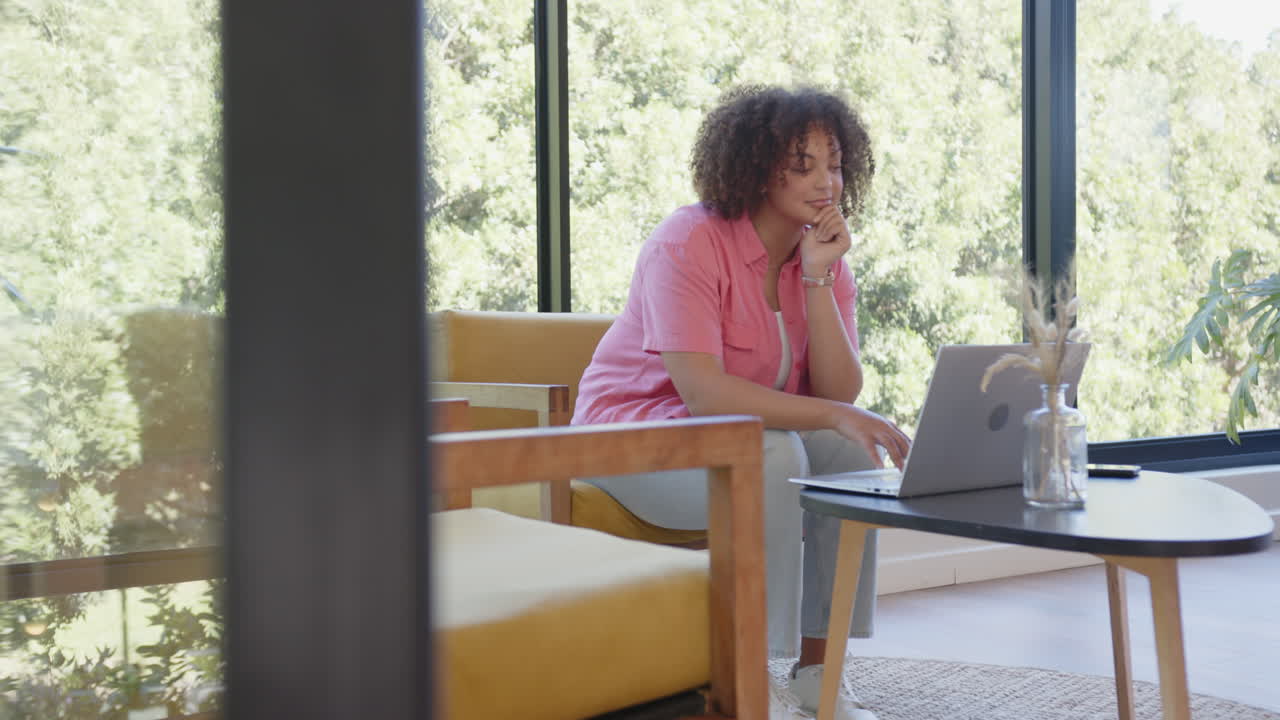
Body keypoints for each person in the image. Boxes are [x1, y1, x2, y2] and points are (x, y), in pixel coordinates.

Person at [571, 85, 911, 720]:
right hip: (625, 445)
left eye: (833, 162)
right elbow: (705, 394)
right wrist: (835, 413)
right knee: (774, 452)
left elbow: (840, 394)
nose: (825, 181)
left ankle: (820, 670)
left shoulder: (823, 260)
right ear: (755, 165)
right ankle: (754, 677)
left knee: (846, 452)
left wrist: (816, 277)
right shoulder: (688, 241)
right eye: (801, 163)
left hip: (737, 442)